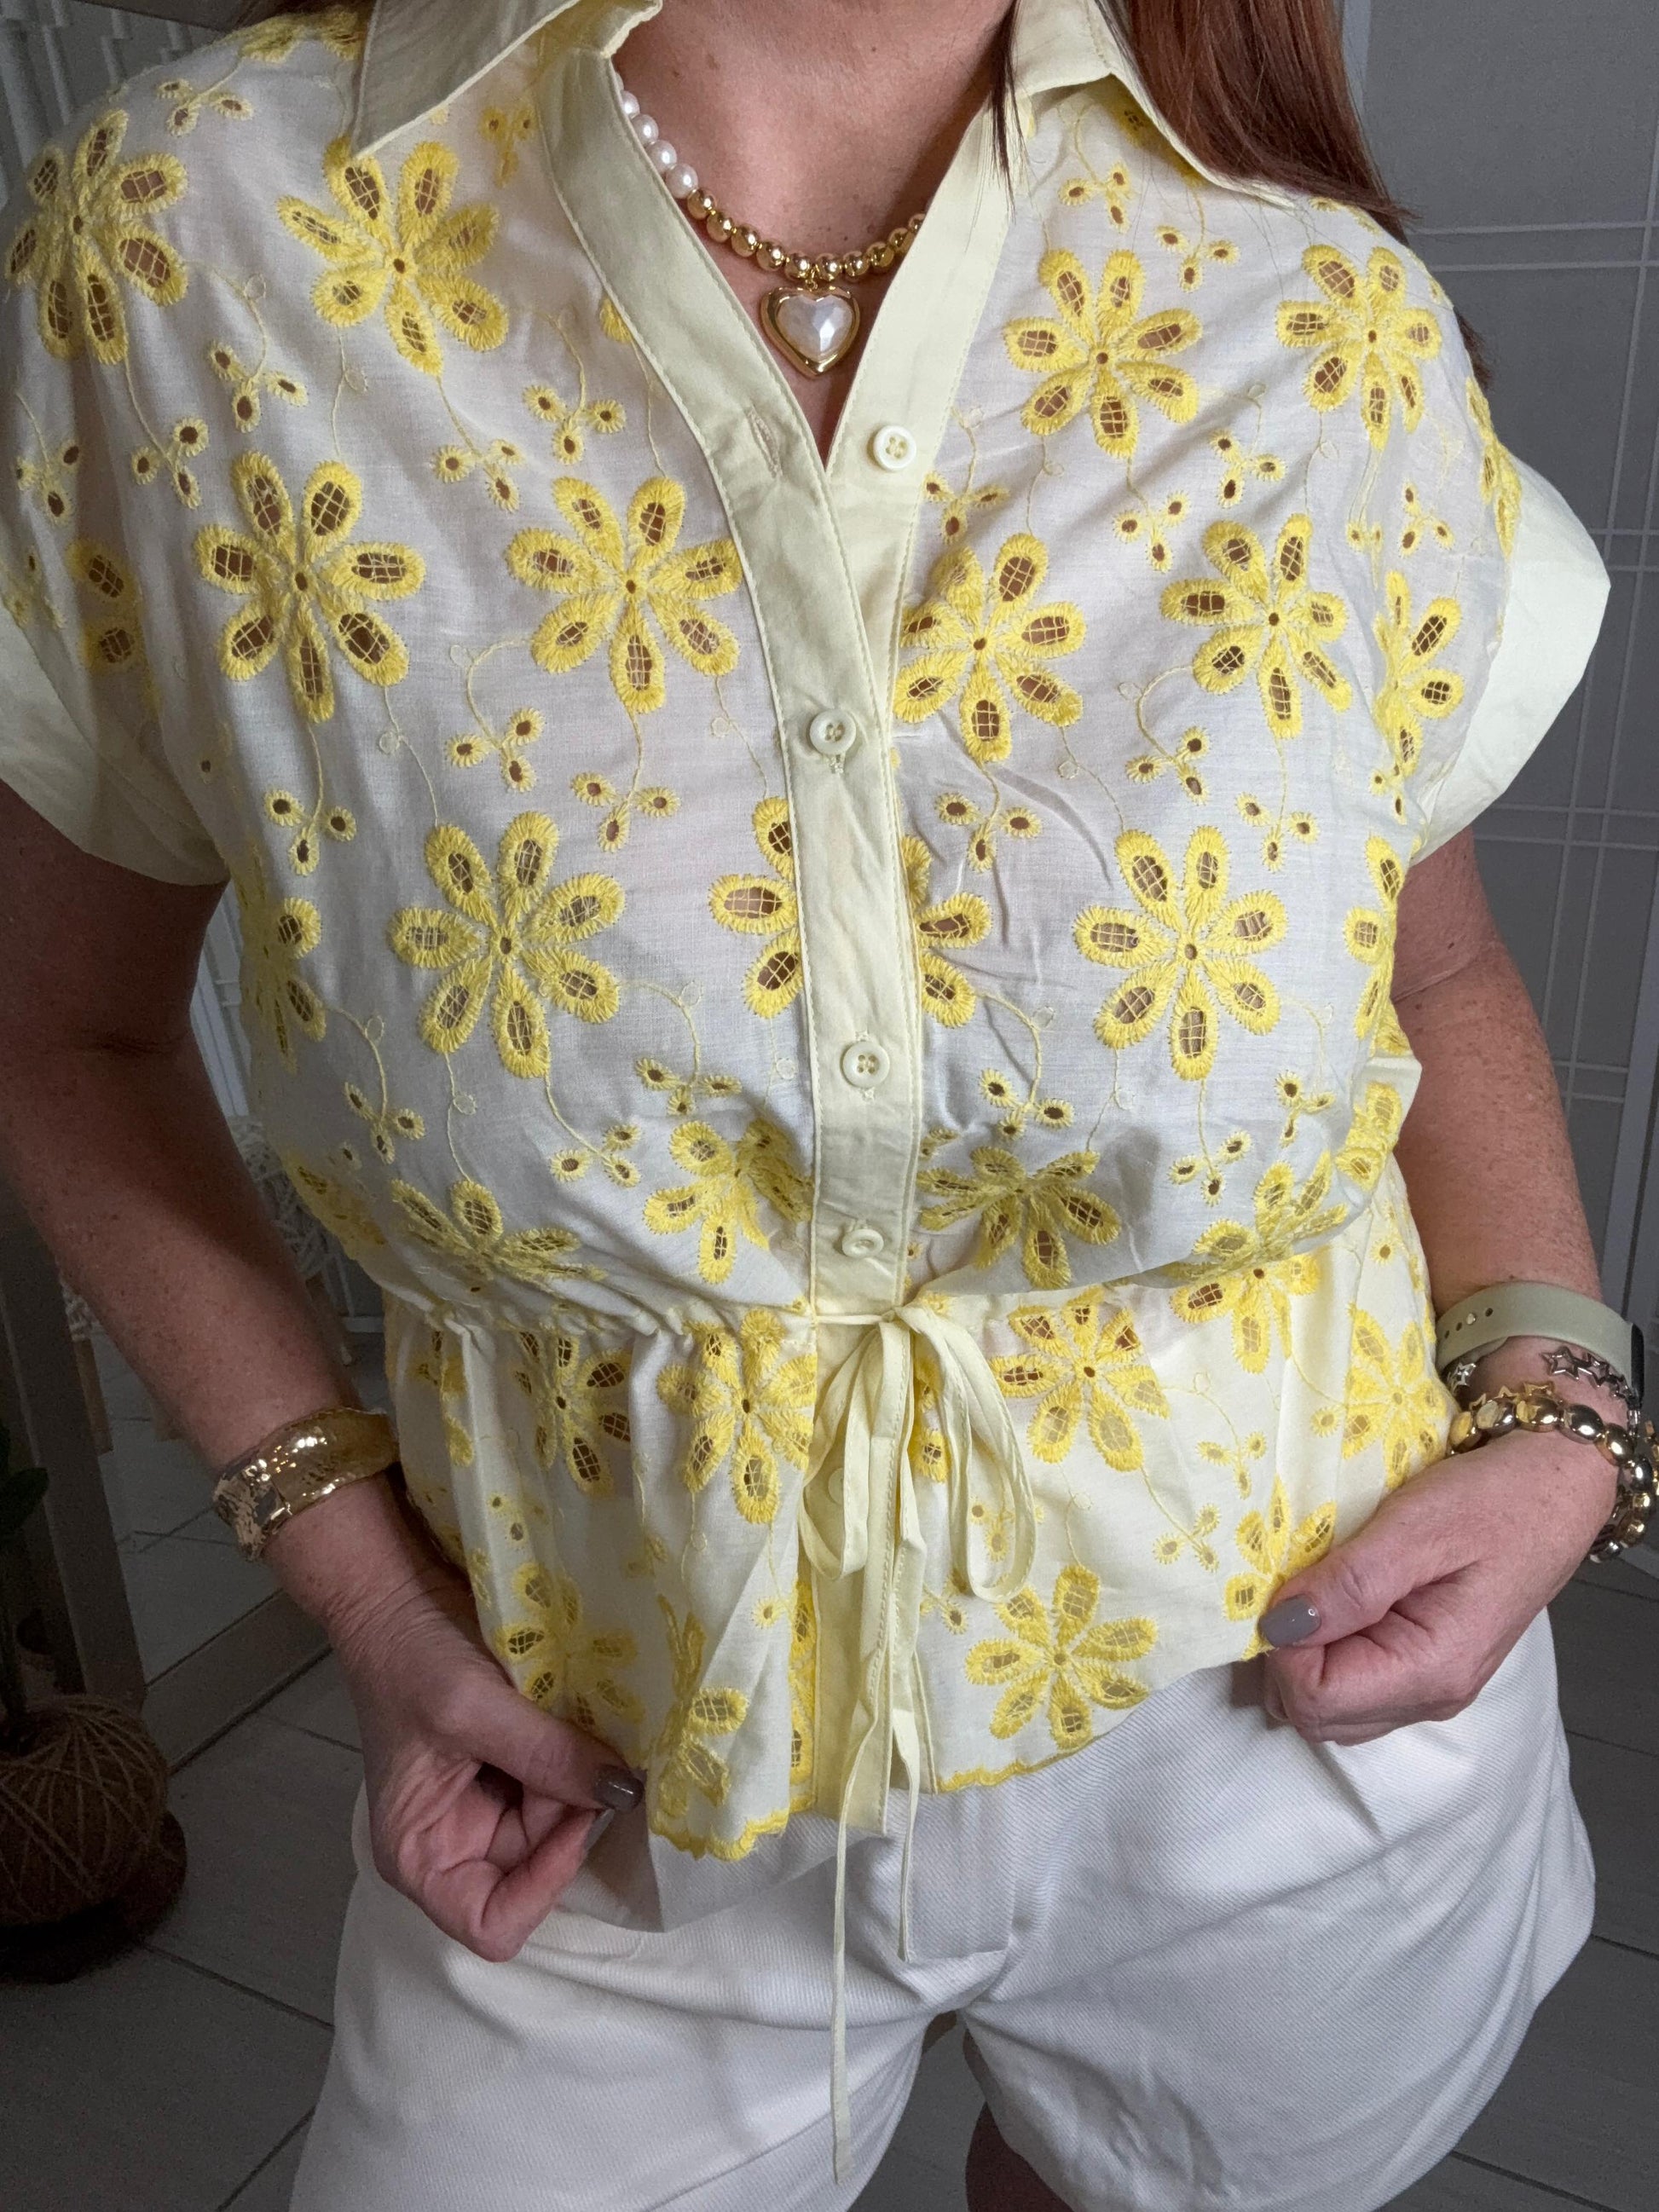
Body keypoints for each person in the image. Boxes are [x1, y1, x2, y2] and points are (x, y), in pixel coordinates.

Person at [0, 0, 1639, 2205]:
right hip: (589, 1755)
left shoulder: (1316, 294)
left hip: (1298, 1704)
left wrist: (1563, 1414)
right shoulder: (195, 237)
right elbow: (65, 1027)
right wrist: (362, 1589)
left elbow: (1429, 972)